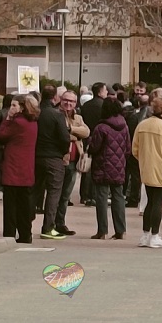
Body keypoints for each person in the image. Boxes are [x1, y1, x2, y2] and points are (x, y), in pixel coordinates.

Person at [132, 96, 162, 248]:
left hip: (147, 168)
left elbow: (135, 149)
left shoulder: (142, 125)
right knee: (158, 204)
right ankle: (155, 235)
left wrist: (145, 160)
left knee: (150, 202)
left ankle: (146, 234)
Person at [0, 95, 39, 243]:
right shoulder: (32, 122)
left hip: (13, 168)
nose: (11, 108)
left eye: (14, 105)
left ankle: (9, 234)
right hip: (26, 169)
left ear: (22, 107)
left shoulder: (17, 123)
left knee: (11, 205)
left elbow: (1, 135)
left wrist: (7, 118)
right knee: (24, 205)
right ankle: (25, 234)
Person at [87, 97, 130, 240]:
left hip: (102, 165)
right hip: (119, 165)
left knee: (101, 198)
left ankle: (102, 230)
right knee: (118, 197)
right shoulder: (124, 126)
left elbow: (94, 147)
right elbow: (127, 148)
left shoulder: (101, 127)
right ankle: (120, 230)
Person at [35, 86, 71, 240]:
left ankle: (24, 223)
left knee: (33, 191)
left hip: (36, 156)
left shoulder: (35, 113)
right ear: (55, 97)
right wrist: (63, 152)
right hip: (54, 157)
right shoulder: (56, 115)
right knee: (53, 193)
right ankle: (48, 227)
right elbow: (65, 138)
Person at [55, 91, 89, 236]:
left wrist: (71, 129)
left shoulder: (78, 117)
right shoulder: (55, 115)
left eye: (72, 101)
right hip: (60, 160)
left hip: (75, 162)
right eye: (66, 100)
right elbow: (60, 134)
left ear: (76, 103)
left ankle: (60, 223)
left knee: (66, 195)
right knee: (55, 194)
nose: (68, 104)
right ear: (60, 100)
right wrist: (73, 135)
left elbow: (86, 132)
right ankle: (51, 223)